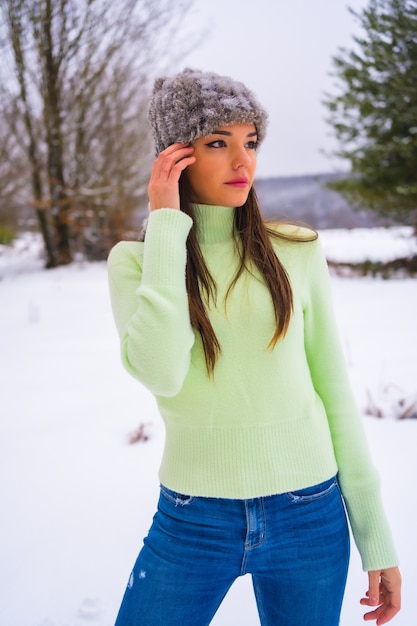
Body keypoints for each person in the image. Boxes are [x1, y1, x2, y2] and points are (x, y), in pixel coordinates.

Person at [107, 68, 401, 626]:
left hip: (309, 514)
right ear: (176, 156)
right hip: (192, 520)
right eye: (218, 143)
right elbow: (162, 371)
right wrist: (167, 223)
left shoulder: (297, 253)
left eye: (251, 142)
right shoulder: (139, 263)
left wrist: (375, 536)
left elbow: (334, 390)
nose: (243, 162)